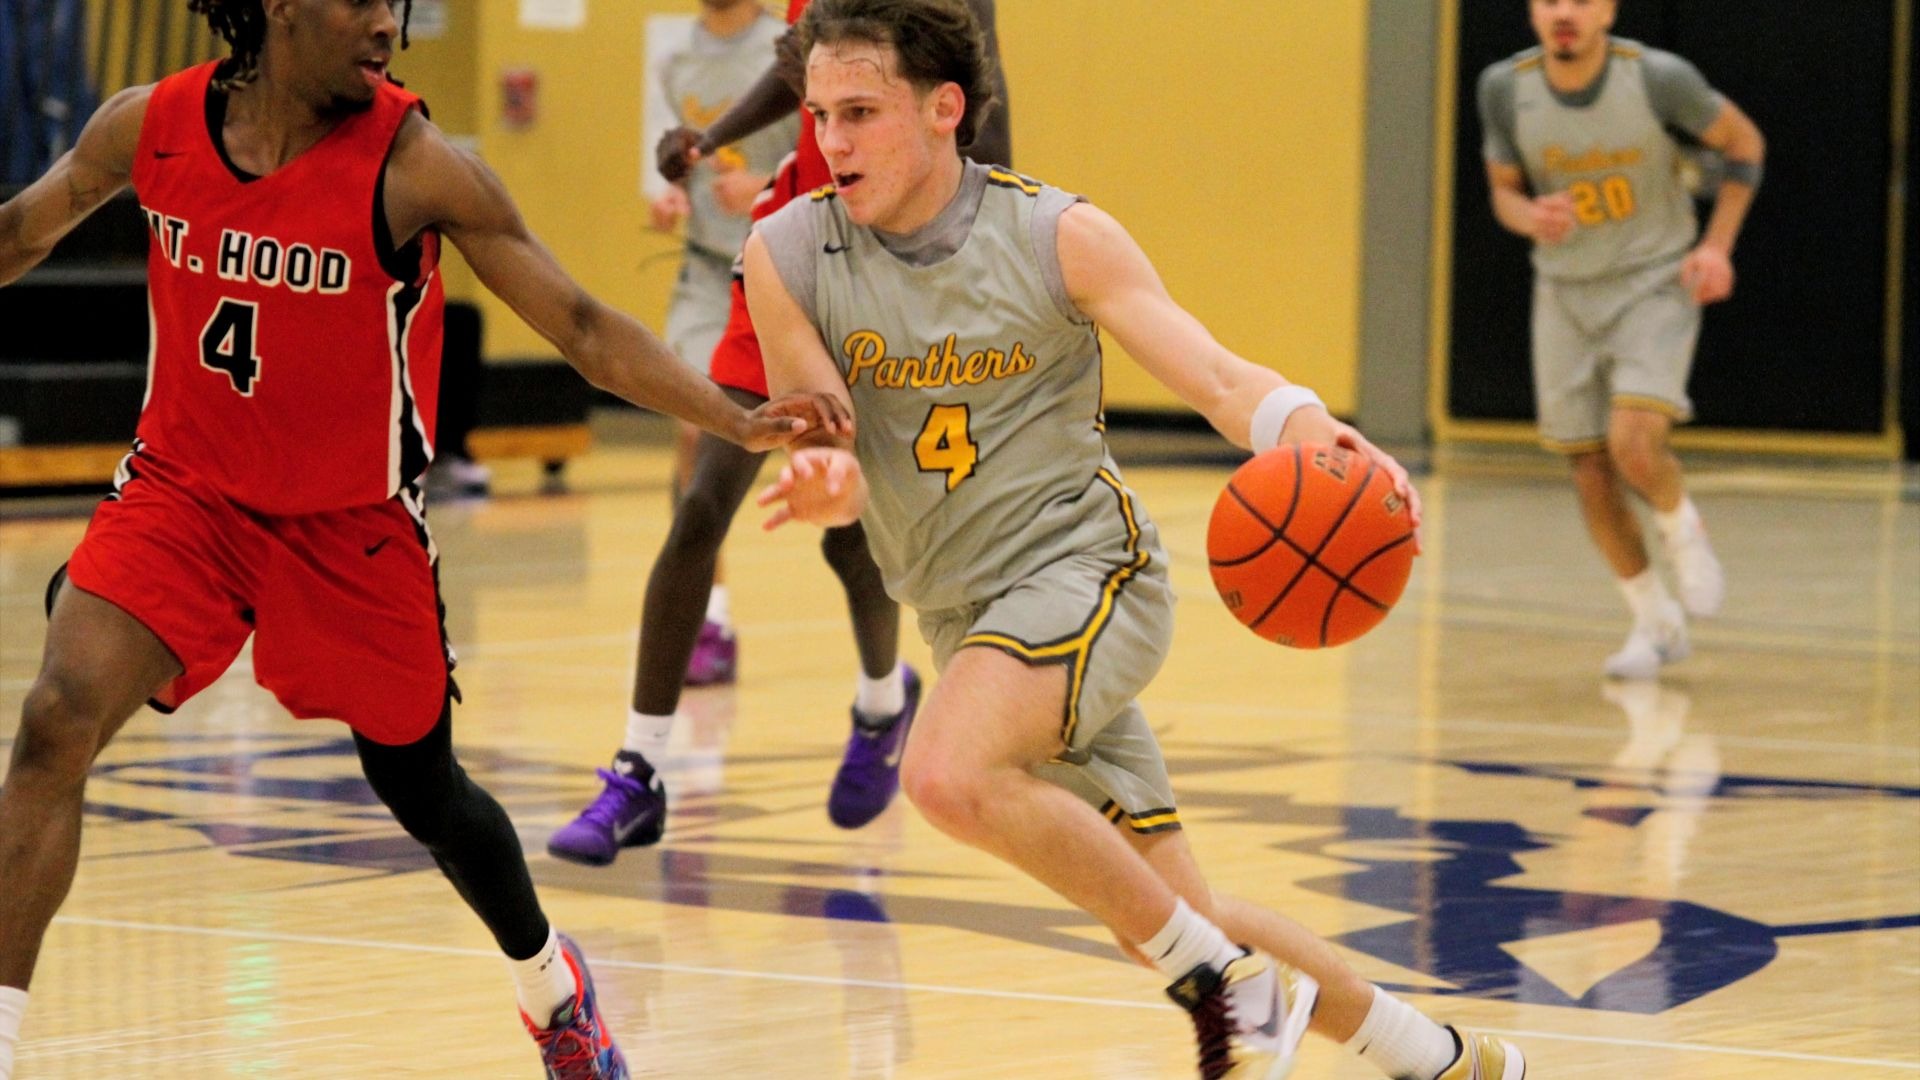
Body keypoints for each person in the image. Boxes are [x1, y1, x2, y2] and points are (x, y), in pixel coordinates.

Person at [0, 2, 827, 1077]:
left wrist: (735, 415)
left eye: (397, 1)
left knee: (426, 793)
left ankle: (549, 984)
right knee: (57, 716)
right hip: (187, 495)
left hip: (351, 527)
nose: (388, 22)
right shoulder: (148, 124)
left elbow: (578, 327)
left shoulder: (419, 165)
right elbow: (22, 230)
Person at [749, 1, 1527, 1077]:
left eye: (861, 113)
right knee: (1166, 910)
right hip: (960, 613)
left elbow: (1211, 374)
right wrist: (828, 483)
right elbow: (822, 430)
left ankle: (1221, 989)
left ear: (943, 110)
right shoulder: (785, 250)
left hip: (1085, 572)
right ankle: (1444, 1057)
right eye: (818, 112)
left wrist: (1311, 429)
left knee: (943, 775)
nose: (830, 142)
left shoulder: (1054, 233)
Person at [546, 0, 1009, 866]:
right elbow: (799, 63)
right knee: (700, 505)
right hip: (793, 252)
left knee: (852, 529)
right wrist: (709, 132)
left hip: (894, 271)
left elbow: (990, 126)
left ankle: (881, 703)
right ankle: (638, 768)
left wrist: (966, 282)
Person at [1477, 0, 1764, 679]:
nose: (1564, 13)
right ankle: (1653, 619)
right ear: (1532, 13)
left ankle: (1681, 526)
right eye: (1549, 1)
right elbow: (1503, 191)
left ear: (1606, 10)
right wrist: (1529, 216)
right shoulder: (1504, 88)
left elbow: (1745, 144)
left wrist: (1718, 246)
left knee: (1634, 442)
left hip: (1653, 280)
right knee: (1589, 469)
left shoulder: (1660, 78)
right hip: (1565, 291)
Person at [645, 0, 800, 683]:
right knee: (694, 428)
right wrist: (672, 196)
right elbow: (678, 162)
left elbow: (833, 155)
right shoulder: (677, 57)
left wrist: (767, 185)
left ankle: (884, 674)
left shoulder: (789, 47)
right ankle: (711, 617)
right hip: (710, 272)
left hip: (796, 266)